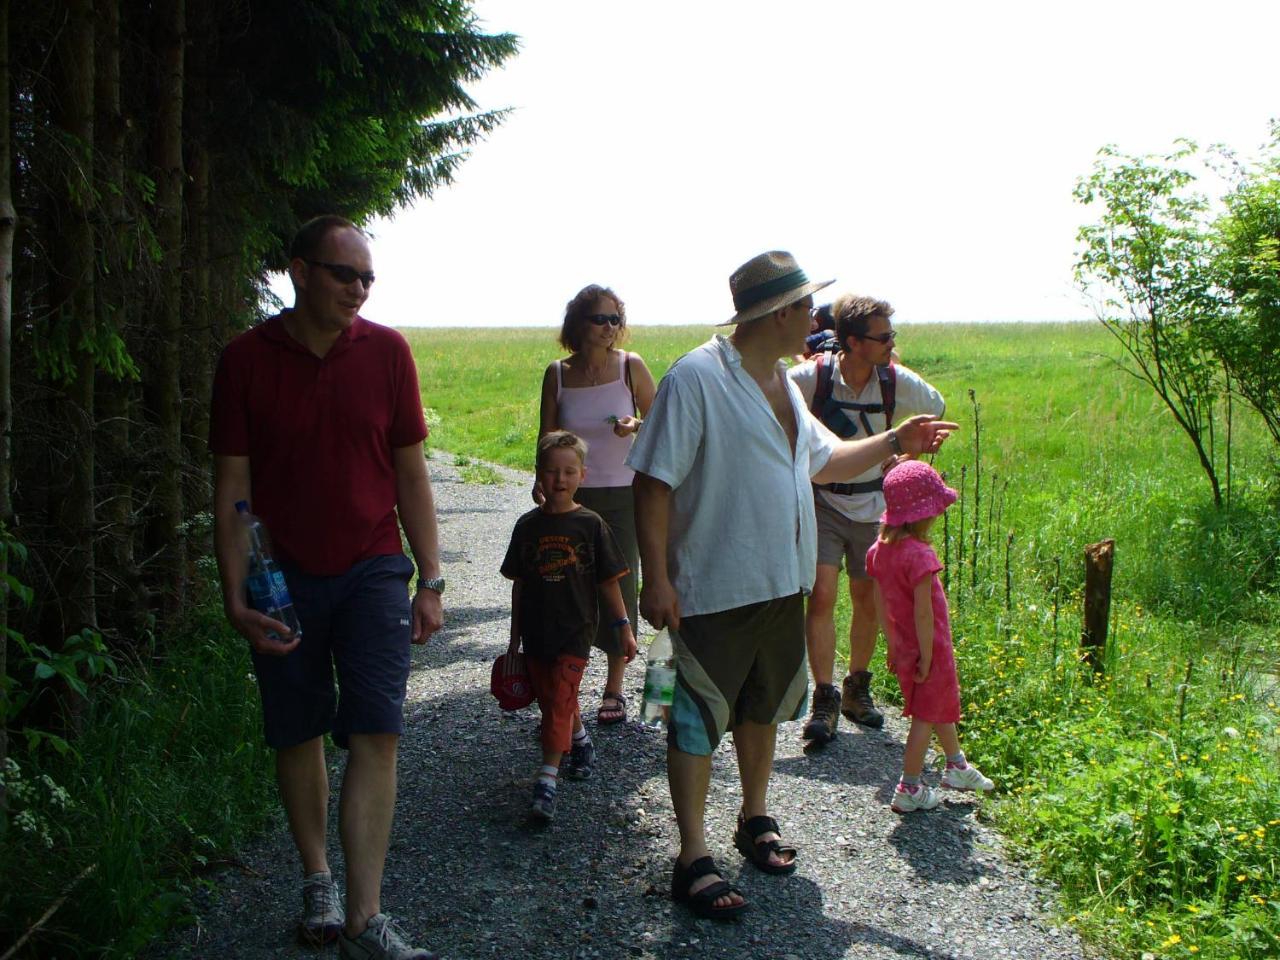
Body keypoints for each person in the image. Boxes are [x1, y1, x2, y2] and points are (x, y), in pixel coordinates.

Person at [627, 250, 958, 919]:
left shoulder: (780, 382)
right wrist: (656, 578)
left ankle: (753, 818)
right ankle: (691, 856)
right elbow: (653, 480)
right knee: (694, 720)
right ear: (777, 314)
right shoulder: (698, 377)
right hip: (712, 589)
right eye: (806, 307)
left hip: (781, 586)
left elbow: (827, 461)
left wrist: (897, 439)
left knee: (763, 706)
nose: (816, 318)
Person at [210, 215, 444, 960]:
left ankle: (364, 918)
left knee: (377, 727)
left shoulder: (388, 353)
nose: (359, 289)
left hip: (375, 565)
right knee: (298, 727)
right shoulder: (245, 360)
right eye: (345, 274)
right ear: (300, 272)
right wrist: (236, 589)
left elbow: (411, 472)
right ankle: (318, 876)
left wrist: (430, 576)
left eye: (368, 278)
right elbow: (232, 485)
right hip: (284, 579)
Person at [788, 295, 945, 744]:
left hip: (877, 508)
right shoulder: (811, 378)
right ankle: (824, 695)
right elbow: (768, 398)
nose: (892, 343)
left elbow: (936, 409)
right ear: (853, 341)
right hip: (822, 502)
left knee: (866, 597)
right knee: (821, 596)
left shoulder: (896, 381)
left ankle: (857, 687)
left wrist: (907, 463)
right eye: (884, 336)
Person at [536, 285, 656, 726]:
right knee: (569, 586)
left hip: (625, 493)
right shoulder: (558, 373)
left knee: (619, 584)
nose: (609, 329)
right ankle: (568, 685)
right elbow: (547, 436)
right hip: (572, 498)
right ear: (578, 324)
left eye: (615, 320)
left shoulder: (630, 367)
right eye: (599, 320)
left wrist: (635, 424)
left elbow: (662, 421)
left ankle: (615, 687)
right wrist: (542, 482)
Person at [503, 431, 638, 822]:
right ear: (538, 476)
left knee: (559, 699)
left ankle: (546, 781)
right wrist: (514, 640)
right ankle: (581, 743)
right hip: (537, 632)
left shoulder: (590, 525)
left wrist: (624, 627)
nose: (559, 480)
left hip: (576, 631)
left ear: (583, 475)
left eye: (568, 471)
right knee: (553, 700)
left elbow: (609, 582)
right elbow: (519, 586)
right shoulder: (527, 527)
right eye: (551, 471)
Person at [865, 460, 995, 812]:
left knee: (936, 706)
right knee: (925, 715)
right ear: (923, 513)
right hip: (929, 647)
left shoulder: (879, 551)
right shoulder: (920, 555)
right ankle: (908, 786)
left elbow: (880, 602)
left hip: (905, 644)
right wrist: (928, 657)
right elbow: (924, 613)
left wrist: (892, 644)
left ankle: (956, 765)